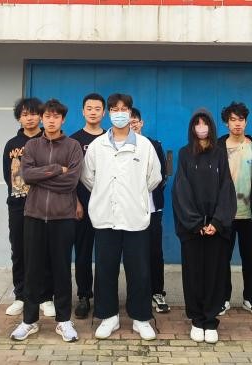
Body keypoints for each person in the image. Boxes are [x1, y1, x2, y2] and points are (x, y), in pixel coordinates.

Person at [81, 93, 163, 341]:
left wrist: (134, 196)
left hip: (135, 217)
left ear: (130, 113)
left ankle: (141, 318)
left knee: (139, 271)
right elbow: (88, 177)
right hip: (105, 217)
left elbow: (154, 178)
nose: (119, 113)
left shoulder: (144, 145)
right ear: (109, 113)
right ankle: (108, 316)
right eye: (114, 109)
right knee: (105, 269)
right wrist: (106, 194)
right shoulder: (97, 146)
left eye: (123, 109)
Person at [10, 99, 84, 342]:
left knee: (62, 269)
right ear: (42, 119)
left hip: (63, 217)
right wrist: (57, 169)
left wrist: (42, 177)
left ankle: (63, 321)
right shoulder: (32, 145)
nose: (51, 121)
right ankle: (29, 321)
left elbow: (71, 182)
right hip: (34, 216)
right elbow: (27, 175)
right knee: (33, 270)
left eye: (56, 117)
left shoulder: (73, 146)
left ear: (63, 119)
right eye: (47, 116)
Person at [172, 109, 237, 344]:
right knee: (193, 274)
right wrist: (196, 223)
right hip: (193, 228)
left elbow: (226, 188)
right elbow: (181, 189)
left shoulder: (219, 153)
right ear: (192, 128)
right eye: (197, 124)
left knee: (214, 274)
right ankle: (196, 320)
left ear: (211, 126)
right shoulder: (184, 153)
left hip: (215, 229)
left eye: (205, 123)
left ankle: (210, 320)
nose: (201, 128)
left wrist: (217, 222)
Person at [1, 97, 55, 319]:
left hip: (44, 205)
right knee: (19, 251)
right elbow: (8, 176)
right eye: (24, 114)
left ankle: (46, 297)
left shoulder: (49, 140)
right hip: (18, 206)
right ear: (19, 118)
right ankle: (21, 296)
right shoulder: (12, 144)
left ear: (40, 116)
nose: (29, 118)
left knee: (45, 251)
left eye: (33, 114)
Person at [216, 101, 252, 317]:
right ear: (226, 123)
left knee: (250, 259)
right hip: (224, 214)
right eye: (233, 120)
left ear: (246, 122)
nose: (237, 124)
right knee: (222, 259)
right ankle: (223, 298)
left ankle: (250, 298)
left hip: (249, 214)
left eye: (241, 119)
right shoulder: (217, 147)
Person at [130, 107, 170, 314]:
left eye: (135, 121)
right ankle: (137, 293)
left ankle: (157, 291)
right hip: (129, 209)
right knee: (134, 253)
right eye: (129, 122)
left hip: (153, 208)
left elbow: (161, 175)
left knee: (155, 250)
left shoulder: (154, 145)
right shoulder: (120, 146)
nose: (132, 125)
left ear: (141, 123)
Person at [69, 93, 106, 319]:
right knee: (82, 253)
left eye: (97, 108)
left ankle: (103, 296)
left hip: (106, 206)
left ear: (104, 112)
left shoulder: (111, 138)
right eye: (89, 108)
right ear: (83, 111)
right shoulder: (73, 141)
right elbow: (70, 177)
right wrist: (75, 202)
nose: (93, 112)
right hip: (81, 206)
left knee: (105, 253)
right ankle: (84, 296)